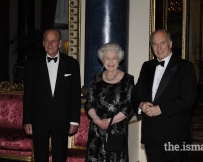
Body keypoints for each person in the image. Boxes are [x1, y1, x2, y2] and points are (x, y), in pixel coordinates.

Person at [132, 29, 197, 162]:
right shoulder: (147, 66)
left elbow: (188, 98)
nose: (159, 48)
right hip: (151, 134)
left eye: (162, 43)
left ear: (170, 44)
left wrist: (161, 108)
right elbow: (136, 93)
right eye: (155, 44)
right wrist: (141, 104)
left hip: (175, 134)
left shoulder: (185, 67)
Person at [23, 29, 81, 162]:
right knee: (40, 156)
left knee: (60, 156)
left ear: (60, 43)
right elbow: (28, 95)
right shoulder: (33, 65)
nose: (50, 44)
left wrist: (74, 120)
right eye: (47, 41)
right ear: (43, 43)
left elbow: (75, 94)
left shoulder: (72, 64)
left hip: (62, 118)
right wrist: (27, 120)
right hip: (39, 118)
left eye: (53, 41)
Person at [84, 42, 134, 162]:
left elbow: (129, 106)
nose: (110, 62)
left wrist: (109, 121)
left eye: (114, 58)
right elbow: (89, 103)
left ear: (119, 59)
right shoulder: (96, 78)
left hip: (117, 130)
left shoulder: (128, 79)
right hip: (96, 130)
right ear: (102, 60)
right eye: (107, 58)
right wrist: (97, 120)